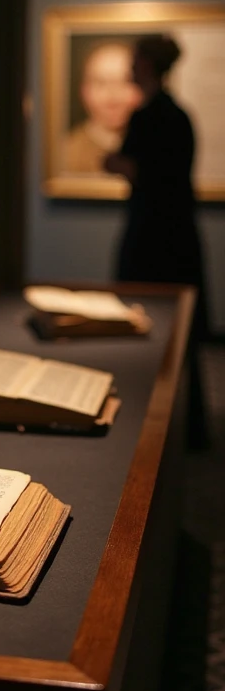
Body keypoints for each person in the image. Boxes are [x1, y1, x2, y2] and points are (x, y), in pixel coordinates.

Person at [105, 33, 209, 445]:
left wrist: (118, 163)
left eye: (134, 59)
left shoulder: (150, 116)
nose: (129, 67)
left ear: (146, 64)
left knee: (145, 326)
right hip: (176, 235)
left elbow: (143, 172)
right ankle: (190, 428)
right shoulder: (177, 115)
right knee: (183, 333)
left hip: (152, 236)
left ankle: (149, 428)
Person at [64, 42, 142, 172]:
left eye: (125, 82)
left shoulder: (158, 149)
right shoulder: (65, 153)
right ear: (84, 91)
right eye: (100, 83)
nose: (113, 97)